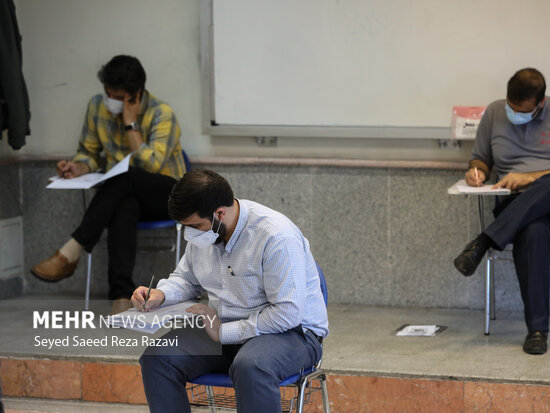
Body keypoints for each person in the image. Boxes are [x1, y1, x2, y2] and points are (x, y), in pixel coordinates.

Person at [134, 169, 328, 413]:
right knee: (157, 359)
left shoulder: (276, 236)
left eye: (195, 226)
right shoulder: (207, 232)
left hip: (291, 333)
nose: (190, 234)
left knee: (251, 366)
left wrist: (223, 332)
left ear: (219, 214)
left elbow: (287, 313)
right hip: (223, 329)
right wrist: (160, 295)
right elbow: (187, 278)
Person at [453, 68, 550, 355]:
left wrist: (529, 178)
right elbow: (481, 159)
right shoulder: (495, 112)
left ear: (540, 103)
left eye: (522, 110)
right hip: (519, 209)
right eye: (511, 107)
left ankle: (484, 241)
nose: (514, 114)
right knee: (532, 230)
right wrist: (476, 172)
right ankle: (537, 332)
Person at [31, 55, 186, 315]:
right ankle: (121, 296)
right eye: (108, 93)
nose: (110, 100)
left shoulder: (162, 113)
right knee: (124, 205)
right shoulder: (96, 107)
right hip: (124, 192)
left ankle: (72, 250)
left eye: (118, 96)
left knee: (126, 176)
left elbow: (151, 165)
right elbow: (88, 152)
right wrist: (79, 167)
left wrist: (130, 124)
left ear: (135, 95)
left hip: (167, 195)